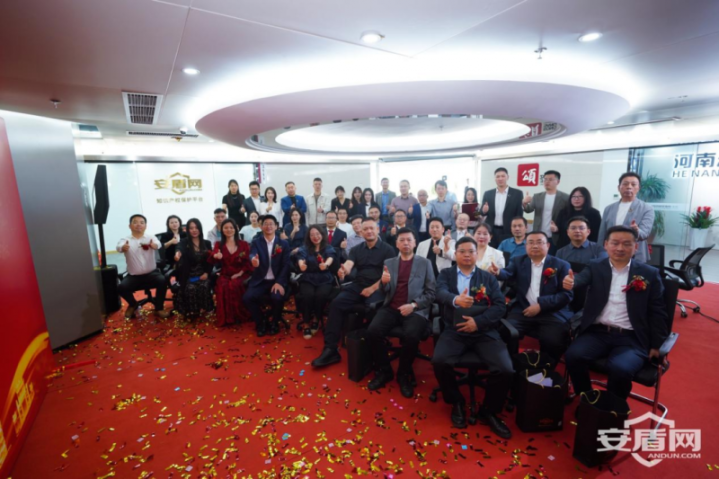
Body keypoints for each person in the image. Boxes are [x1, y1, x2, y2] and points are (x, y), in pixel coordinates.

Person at [563, 225, 668, 399]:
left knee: (620, 368)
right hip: (598, 332)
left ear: (635, 247)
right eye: (615, 243)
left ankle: (613, 406)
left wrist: (657, 345)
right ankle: (587, 398)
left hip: (632, 337)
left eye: (626, 244)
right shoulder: (596, 266)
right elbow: (581, 279)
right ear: (606, 244)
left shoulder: (648, 273)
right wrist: (572, 282)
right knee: (573, 356)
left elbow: (658, 311)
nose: (620, 248)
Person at [432, 237, 513, 437]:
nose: (467, 255)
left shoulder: (488, 278)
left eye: (471, 251)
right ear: (455, 254)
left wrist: (478, 322)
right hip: (454, 330)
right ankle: (457, 401)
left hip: (483, 330)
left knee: (505, 369)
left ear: (477, 254)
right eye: (462, 251)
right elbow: (439, 293)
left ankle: (489, 411)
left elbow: (500, 306)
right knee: (439, 361)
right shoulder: (446, 274)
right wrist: (455, 299)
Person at [311, 218, 396, 368]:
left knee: (372, 307)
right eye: (365, 229)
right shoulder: (356, 249)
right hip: (358, 284)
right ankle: (330, 349)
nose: (369, 231)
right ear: (361, 232)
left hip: (379, 287)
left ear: (377, 230)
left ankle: (371, 348)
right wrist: (344, 271)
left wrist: (372, 289)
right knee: (336, 303)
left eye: (371, 228)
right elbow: (349, 265)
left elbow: (388, 276)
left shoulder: (388, 249)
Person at [366, 228, 436, 398]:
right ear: (396, 244)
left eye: (409, 240)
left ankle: (403, 374)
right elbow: (385, 290)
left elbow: (431, 293)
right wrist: (383, 283)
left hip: (415, 309)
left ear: (415, 243)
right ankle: (385, 371)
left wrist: (413, 305)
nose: (405, 243)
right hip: (391, 307)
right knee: (372, 332)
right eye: (402, 240)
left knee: (412, 336)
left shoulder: (425, 263)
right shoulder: (389, 262)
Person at [490, 231, 573, 368]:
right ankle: (512, 366)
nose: (534, 246)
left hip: (552, 312)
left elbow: (566, 295)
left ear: (548, 245)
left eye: (539, 242)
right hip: (524, 309)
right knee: (504, 332)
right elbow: (507, 273)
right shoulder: (518, 261)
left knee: (553, 341)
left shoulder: (561, 265)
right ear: (526, 246)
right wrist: (498, 272)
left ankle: (545, 371)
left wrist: (541, 306)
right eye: (530, 242)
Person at [243, 215, 291, 336]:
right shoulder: (256, 242)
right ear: (261, 226)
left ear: (276, 226)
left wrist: (279, 282)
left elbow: (286, 265)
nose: (268, 226)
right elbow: (252, 254)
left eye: (271, 224)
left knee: (277, 297)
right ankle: (261, 323)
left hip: (276, 280)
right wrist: (253, 260)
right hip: (261, 280)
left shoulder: (283, 244)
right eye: (265, 224)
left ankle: (275, 323)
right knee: (247, 298)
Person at [116, 214, 170, 319]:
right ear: (130, 226)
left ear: (145, 226)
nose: (138, 225)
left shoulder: (150, 237)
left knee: (162, 281)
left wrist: (155, 245)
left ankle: (159, 308)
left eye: (142, 222)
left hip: (151, 273)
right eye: (135, 222)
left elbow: (158, 244)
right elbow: (119, 247)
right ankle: (133, 304)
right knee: (121, 287)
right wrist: (123, 247)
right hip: (134, 276)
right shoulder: (125, 239)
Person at [597, 172, 654, 264]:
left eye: (633, 184)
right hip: (611, 254)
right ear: (619, 187)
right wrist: (600, 252)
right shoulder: (609, 208)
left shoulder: (646, 208)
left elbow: (645, 234)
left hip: (635, 255)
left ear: (638, 188)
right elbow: (602, 233)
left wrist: (636, 230)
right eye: (625, 184)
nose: (629, 187)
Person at [209, 218, 252, 327]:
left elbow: (248, 263)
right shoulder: (218, 244)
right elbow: (213, 256)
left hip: (241, 273)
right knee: (223, 285)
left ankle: (239, 316)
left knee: (235, 285)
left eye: (231, 227)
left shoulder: (244, 244)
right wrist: (216, 256)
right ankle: (227, 318)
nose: (229, 230)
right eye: (226, 228)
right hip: (225, 273)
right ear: (222, 230)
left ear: (236, 229)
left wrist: (239, 274)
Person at [297, 226, 338, 339]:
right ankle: (306, 323)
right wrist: (301, 265)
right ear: (309, 237)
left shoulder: (328, 247)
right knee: (307, 295)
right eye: (312, 235)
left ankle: (316, 318)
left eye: (317, 234)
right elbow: (301, 258)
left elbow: (331, 257)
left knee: (321, 295)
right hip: (308, 277)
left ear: (322, 234)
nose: (315, 237)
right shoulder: (305, 248)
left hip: (324, 277)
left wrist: (326, 265)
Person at [173, 218, 214, 319]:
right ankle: (193, 310)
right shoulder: (184, 242)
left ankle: (206, 307)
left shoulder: (207, 243)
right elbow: (179, 248)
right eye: (191, 228)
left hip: (203, 274)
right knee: (191, 288)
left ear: (200, 229)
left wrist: (207, 273)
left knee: (204, 285)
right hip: (188, 274)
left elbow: (210, 261)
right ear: (187, 230)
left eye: (196, 227)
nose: (194, 230)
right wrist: (178, 254)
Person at [480, 167, 525, 247]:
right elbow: (481, 213)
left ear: (507, 177)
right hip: (491, 231)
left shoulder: (517, 193)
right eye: (498, 176)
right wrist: (484, 211)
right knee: (491, 253)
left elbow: (519, 214)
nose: (500, 178)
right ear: (495, 178)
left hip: (508, 231)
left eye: (503, 176)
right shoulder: (488, 194)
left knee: (506, 253)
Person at [522, 170, 570, 243]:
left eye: (550, 179)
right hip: (539, 234)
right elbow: (528, 210)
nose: (547, 182)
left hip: (556, 235)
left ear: (558, 182)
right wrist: (524, 203)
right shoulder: (537, 196)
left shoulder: (565, 198)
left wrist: (558, 228)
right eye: (545, 179)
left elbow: (568, 217)